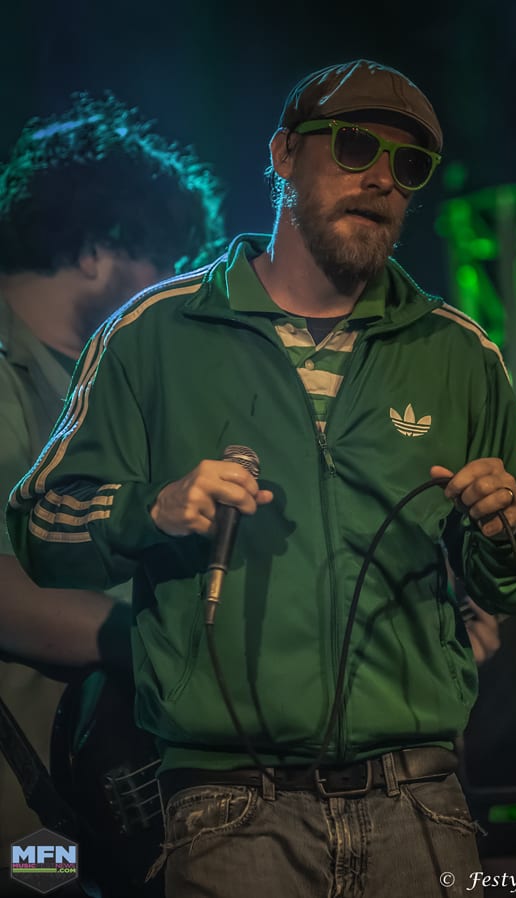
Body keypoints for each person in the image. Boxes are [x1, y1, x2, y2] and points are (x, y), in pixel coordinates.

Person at [6, 61, 516, 898]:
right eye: (355, 147)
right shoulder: (153, 333)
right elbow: (41, 525)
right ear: (281, 156)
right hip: (230, 810)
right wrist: (151, 510)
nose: (382, 177)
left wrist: (508, 526)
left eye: (409, 164)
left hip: (420, 804)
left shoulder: (458, 351)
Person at [0, 92, 224, 894]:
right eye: (167, 263)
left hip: (111, 805)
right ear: (97, 250)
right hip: (23, 827)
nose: (179, 291)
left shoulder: (108, 383)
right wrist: (183, 652)